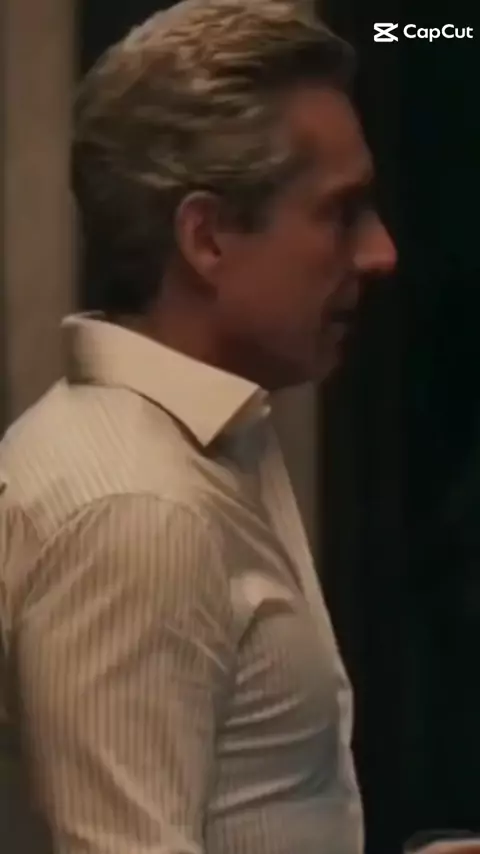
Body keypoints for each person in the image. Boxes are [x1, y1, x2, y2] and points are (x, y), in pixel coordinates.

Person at [0, 1, 397, 852]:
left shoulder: (198, 451)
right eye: (340, 213)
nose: (379, 253)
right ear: (207, 236)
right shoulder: (137, 508)